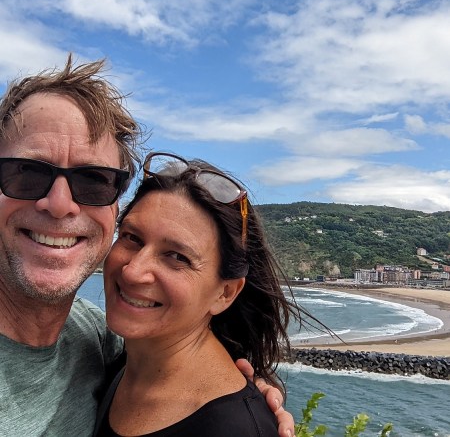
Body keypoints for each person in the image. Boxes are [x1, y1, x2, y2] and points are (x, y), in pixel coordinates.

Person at [0, 57, 295, 436]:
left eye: (93, 180)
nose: (59, 204)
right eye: (26, 171)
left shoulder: (96, 338)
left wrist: (246, 409)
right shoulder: (112, 347)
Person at [95, 152, 310, 436]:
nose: (133, 272)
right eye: (132, 237)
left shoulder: (235, 428)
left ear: (225, 293)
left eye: (177, 256)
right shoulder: (112, 363)